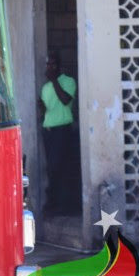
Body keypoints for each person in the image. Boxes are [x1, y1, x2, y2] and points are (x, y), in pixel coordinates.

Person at [38, 51, 79, 214]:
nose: (49, 67)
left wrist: (54, 80)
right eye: (48, 65)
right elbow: (45, 111)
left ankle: (58, 205)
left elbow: (65, 100)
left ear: (59, 66)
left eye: (52, 64)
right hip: (48, 132)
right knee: (51, 168)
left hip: (62, 131)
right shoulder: (45, 87)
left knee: (60, 168)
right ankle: (55, 204)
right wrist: (41, 106)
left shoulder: (69, 81)